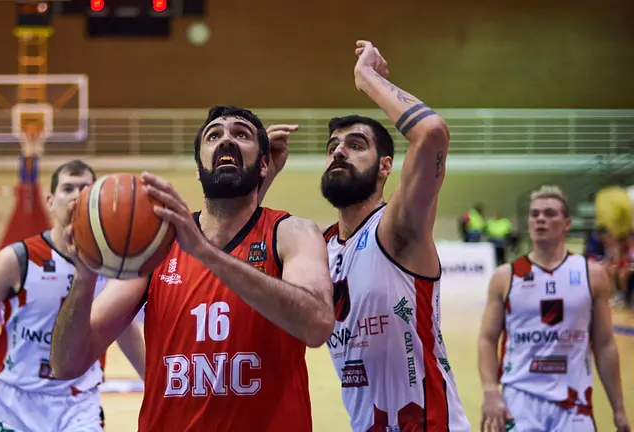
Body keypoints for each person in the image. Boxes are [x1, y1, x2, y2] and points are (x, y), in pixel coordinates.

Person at [50, 107, 334, 431]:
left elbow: (317, 325)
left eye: (241, 134)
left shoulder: (291, 232)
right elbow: (66, 363)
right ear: (199, 170)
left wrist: (204, 251)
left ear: (265, 164)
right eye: (214, 136)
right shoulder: (158, 247)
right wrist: (84, 276)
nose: (226, 139)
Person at [315, 41, 470, 431]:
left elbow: (432, 133)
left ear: (386, 167)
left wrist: (366, 77)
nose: (338, 153)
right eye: (333, 146)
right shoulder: (320, 247)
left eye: (355, 145)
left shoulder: (396, 228)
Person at [0, 160, 146, 431]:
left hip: (78, 404)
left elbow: (124, 330)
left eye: (85, 189)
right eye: (67, 188)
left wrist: (156, 383)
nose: (76, 196)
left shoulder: (113, 263)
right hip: (13, 402)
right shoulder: (18, 259)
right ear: (50, 201)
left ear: (97, 199)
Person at [478, 185, 630, 432]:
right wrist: (489, 391)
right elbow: (487, 339)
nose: (540, 219)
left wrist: (619, 410)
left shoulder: (591, 274)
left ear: (567, 223)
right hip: (519, 400)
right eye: (534, 214)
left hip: (574, 401)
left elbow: (604, 345)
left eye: (550, 213)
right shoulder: (506, 276)